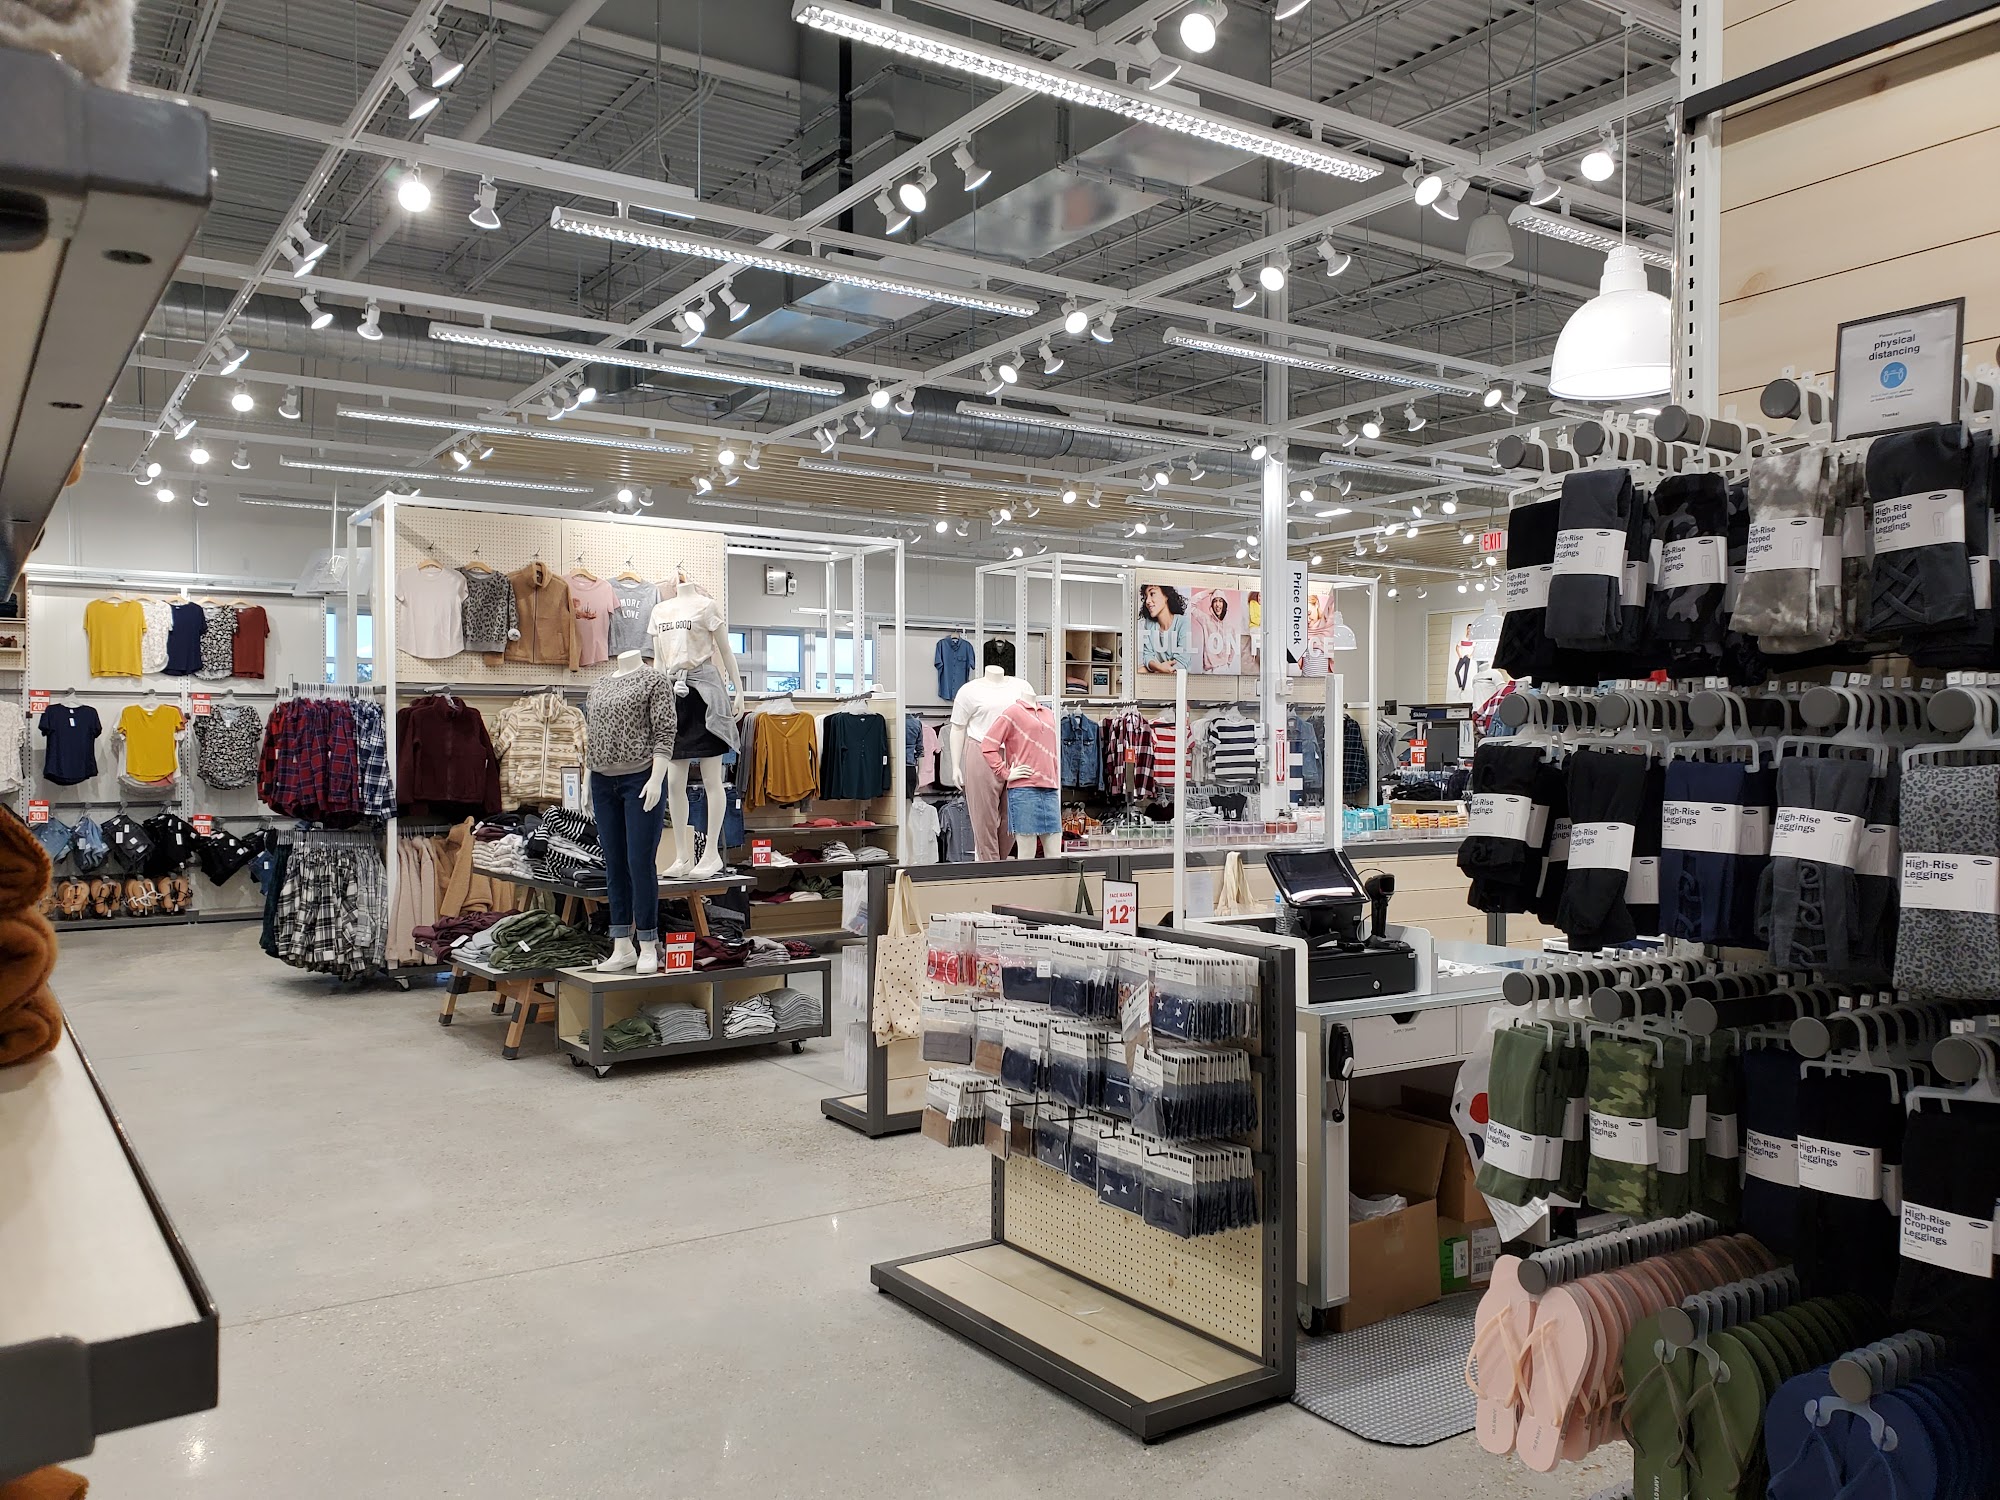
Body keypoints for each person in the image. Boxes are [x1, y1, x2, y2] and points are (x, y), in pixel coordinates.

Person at [1138, 582, 1194, 672]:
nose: (1147, 601)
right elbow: (1147, 655)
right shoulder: (1150, 624)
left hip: (1179, 676)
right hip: (1160, 671)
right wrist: (1159, 667)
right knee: (1140, 670)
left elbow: (1181, 663)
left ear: (1166, 595)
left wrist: (1159, 670)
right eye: (1146, 597)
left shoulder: (1183, 622)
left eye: (1152, 594)